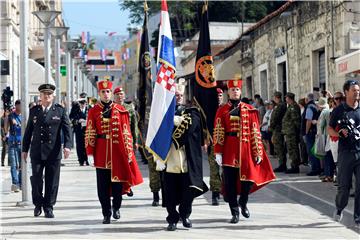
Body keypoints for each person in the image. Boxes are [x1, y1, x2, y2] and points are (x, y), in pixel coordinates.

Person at [213, 78, 276, 224]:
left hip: (246, 149)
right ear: (228, 92)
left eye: (237, 90)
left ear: (240, 91)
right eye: (232, 90)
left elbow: (255, 132)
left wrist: (258, 151)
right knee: (229, 183)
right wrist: (218, 151)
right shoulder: (222, 110)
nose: (235, 92)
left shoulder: (250, 110)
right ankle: (234, 212)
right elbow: (217, 131)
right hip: (229, 148)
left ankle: (243, 202)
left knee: (247, 181)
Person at [85, 80, 143, 224]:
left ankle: (116, 207)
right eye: (103, 92)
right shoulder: (93, 111)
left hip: (118, 153)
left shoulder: (121, 110)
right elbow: (90, 132)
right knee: (102, 187)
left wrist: (129, 153)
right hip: (101, 153)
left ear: (111, 93)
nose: (106, 94)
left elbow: (126, 133)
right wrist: (90, 153)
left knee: (118, 185)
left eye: (108, 92)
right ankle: (106, 213)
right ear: (99, 94)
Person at [155, 83, 208, 231]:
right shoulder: (163, 114)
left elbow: (191, 125)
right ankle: (172, 218)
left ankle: (185, 214)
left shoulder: (192, 112)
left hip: (187, 159)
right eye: (175, 96)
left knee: (189, 190)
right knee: (169, 192)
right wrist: (157, 158)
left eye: (180, 95)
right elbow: (156, 135)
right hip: (169, 158)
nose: (178, 98)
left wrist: (172, 120)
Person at [22, 84, 72, 218]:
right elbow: (28, 132)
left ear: (53, 96)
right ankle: (38, 204)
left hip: (53, 152)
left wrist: (67, 146)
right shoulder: (34, 110)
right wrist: (24, 149)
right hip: (37, 151)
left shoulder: (60, 111)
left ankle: (49, 206)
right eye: (44, 94)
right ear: (40, 96)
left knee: (52, 181)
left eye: (49, 94)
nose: (46, 96)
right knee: (36, 179)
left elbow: (67, 130)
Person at [328, 80, 360, 225]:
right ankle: (340, 207)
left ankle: (358, 217)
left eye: (358, 90)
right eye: (354, 90)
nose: (357, 92)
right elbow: (329, 129)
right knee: (344, 187)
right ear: (346, 92)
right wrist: (339, 133)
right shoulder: (339, 110)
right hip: (346, 153)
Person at [113, 86, 141, 198]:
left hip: (127, 140)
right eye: (117, 95)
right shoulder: (112, 108)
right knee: (119, 166)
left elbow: (134, 125)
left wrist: (135, 141)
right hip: (115, 141)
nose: (120, 96)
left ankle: (129, 185)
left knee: (129, 164)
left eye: (121, 94)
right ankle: (122, 186)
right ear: (114, 97)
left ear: (124, 96)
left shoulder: (129, 108)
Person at [4, 100, 22, 192]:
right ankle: (15, 183)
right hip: (12, 142)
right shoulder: (11, 115)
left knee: (23, 165)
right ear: (16, 106)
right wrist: (8, 118)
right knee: (14, 165)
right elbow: (6, 129)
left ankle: (21, 182)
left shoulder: (25, 116)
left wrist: (18, 124)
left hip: (22, 143)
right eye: (19, 105)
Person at [282, 92, 301, 174]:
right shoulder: (290, 106)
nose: (285, 99)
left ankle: (295, 166)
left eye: (286, 97)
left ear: (289, 98)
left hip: (292, 132)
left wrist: (296, 131)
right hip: (289, 132)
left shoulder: (293, 107)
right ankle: (293, 165)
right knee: (291, 149)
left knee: (293, 149)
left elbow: (296, 120)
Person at [269, 91, 287, 172]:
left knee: (279, 147)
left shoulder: (280, 106)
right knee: (279, 147)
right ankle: (281, 164)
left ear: (276, 97)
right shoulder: (281, 105)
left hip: (278, 129)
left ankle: (282, 165)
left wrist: (271, 127)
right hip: (278, 128)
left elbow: (275, 118)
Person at [303, 93, 321, 176]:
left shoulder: (309, 107)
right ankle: (317, 168)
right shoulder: (315, 106)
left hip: (310, 132)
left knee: (311, 151)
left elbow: (308, 120)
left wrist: (306, 132)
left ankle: (315, 169)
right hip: (315, 131)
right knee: (314, 150)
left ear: (307, 99)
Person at [69, 98, 89, 166]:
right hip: (79, 130)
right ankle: (81, 160)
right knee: (79, 146)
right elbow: (71, 118)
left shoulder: (89, 109)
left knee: (87, 145)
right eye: (81, 104)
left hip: (88, 130)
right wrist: (77, 121)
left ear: (86, 104)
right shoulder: (75, 109)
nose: (82, 105)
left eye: (84, 104)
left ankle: (87, 159)